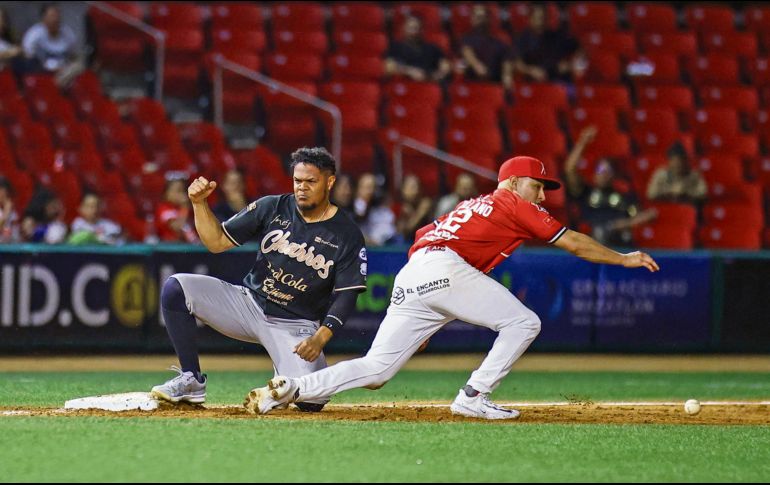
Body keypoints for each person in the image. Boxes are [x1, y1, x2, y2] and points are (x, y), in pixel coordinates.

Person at [245, 156, 660, 419]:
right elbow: (571, 242)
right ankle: (474, 395)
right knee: (524, 323)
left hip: (418, 270)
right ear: (514, 183)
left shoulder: (469, 205)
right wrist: (623, 258)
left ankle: (292, 388)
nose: (542, 196)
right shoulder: (512, 202)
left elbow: (422, 239)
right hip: (441, 267)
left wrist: (424, 313)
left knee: (377, 370)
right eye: (538, 186)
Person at [150, 147, 368, 413]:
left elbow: (348, 294)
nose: (302, 187)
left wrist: (320, 338)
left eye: (311, 181)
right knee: (176, 288)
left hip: (295, 323)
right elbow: (216, 242)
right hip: (248, 304)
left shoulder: (346, 233)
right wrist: (199, 204)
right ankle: (191, 380)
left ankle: (284, 371)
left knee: (311, 401)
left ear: (329, 181)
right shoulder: (272, 207)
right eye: (298, 181)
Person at [565, 126, 657, 246]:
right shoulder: (586, 191)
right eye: (600, 170)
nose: (604, 174)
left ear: (614, 175)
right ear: (594, 174)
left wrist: (620, 225)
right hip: (592, 241)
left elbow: (639, 217)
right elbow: (570, 169)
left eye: (608, 171)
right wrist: (583, 142)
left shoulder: (624, 197)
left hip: (619, 244)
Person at [514, 4, 586, 84]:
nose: (540, 22)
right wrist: (531, 71)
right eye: (537, 18)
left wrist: (574, 64)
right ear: (529, 19)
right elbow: (517, 64)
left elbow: (580, 47)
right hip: (532, 82)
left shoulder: (556, 36)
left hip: (557, 80)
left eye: (543, 18)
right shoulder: (522, 39)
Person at [22, 4, 83, 85]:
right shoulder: (34, 34)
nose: (56, 19)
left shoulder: (67, 33)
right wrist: (45, 68)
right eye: (52, 16)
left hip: (64, 74)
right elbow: (28, 58)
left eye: (57, 16)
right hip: (42, 73)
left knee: (79, 66)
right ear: (44, 18)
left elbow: (74, 56)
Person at [459, 5, 515, 90]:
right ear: (472, 19)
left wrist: (507, 76)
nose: (480, 21)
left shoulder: (500, 43)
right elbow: (467, 53)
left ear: (488, 19)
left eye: (482, 17)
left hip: (494, 87)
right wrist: (476, 65)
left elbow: (507, 63)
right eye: (477, 17)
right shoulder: (466, 40)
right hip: (472, 86)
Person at [385, 14, 451, 83]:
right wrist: (409, 71)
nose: (413, 32)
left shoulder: (432, 48)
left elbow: (445, 66)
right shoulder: (395, 47)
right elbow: (388, 67)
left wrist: (436, 76)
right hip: (406, 84)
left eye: (416, 28)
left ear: (421, 30)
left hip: (429, 84)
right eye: (410, 28)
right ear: (404, 28)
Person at [353, 172, 396, 246]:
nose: (371, 191)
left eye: (373, 187)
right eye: (367, 187)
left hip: (379, 247)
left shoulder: (382, 209)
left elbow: (389, 230)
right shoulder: (351, 207)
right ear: (358, 189)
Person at [155, 176, 199, 243]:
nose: (183, 194)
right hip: (171, 247)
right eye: (178, 190)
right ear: (166, 193)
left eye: (183, 190)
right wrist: (185, 206)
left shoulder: (187, 208)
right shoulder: (164, 208)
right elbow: (177, 227)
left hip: (190, 246)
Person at [395, 174, 433, 243]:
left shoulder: (425, 203)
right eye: (412, 187)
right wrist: (420, 213)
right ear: (403, 190)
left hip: (425, 242)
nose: (416, 191)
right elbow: (404, 232)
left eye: (417, 187)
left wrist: (422, 211)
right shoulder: (398, 206)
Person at [0, 177, 19, 243]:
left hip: (12, 248)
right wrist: (6, 212)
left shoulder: (13, 211)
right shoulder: (7, 209)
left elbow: (15, 233)